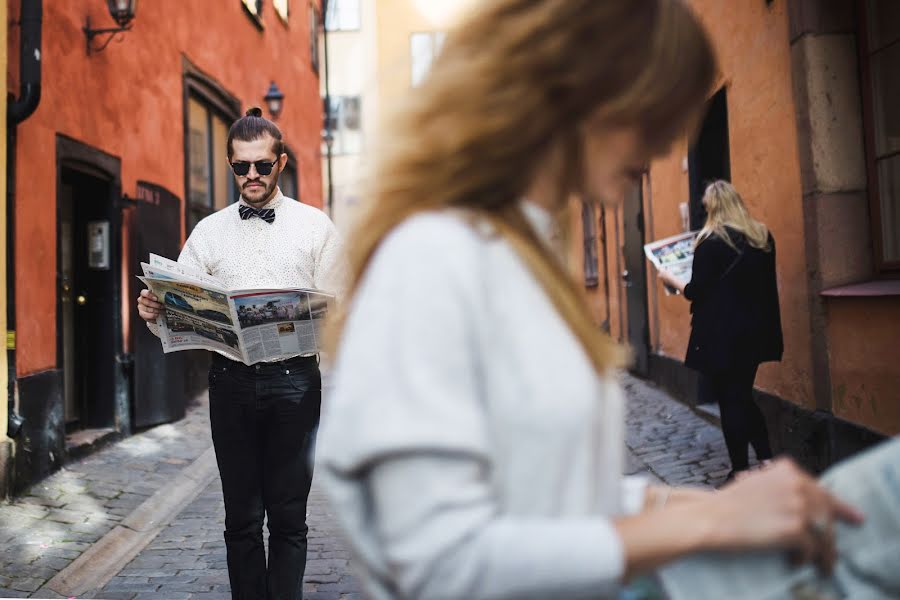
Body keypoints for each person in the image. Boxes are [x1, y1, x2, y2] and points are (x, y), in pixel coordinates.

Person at [315, 1, 863, 599]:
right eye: (651, 113)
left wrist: (672, 497)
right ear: (575, 91)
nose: (659, 147)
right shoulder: (433, 256)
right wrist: (709, 522)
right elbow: (435, 561)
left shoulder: (519, 253)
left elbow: (549, 492)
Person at [137, 108, 344, 600]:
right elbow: (179, 308)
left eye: (261, 165)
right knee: (242, 517)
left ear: (281, 163)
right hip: (230, 383)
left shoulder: (316, 227)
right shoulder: (208, 231)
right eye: (240, 166)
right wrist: (154, 311)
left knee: (290, 515)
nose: (251, 175)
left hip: (295, 383)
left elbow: (339, 309)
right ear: (230, 165)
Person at [659, 180, 781, 483]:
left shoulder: (710, 241)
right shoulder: (762, 237)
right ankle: (766, 461)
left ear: (712, 208)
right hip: (756, 330)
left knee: (731, 400)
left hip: (721, 335)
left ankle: (740, 471)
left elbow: (695, 291)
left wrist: (669, 278)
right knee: (742, 395)